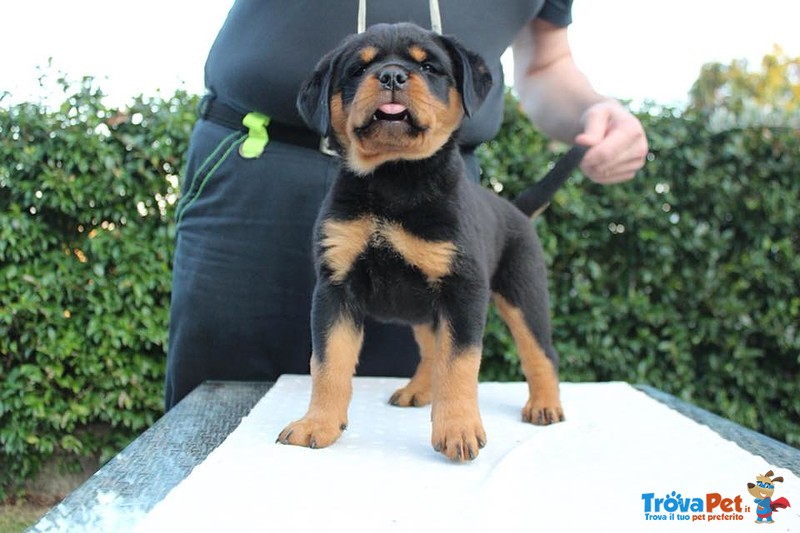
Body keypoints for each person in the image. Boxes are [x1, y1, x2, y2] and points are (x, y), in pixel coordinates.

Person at [164, 0, 648, 409]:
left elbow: (546, 62)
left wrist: (591, 112)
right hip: (253, 161)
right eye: (363, 70)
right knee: (218, 405)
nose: (393, 78)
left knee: (396, 437)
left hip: (441, 180)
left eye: (426, 67)